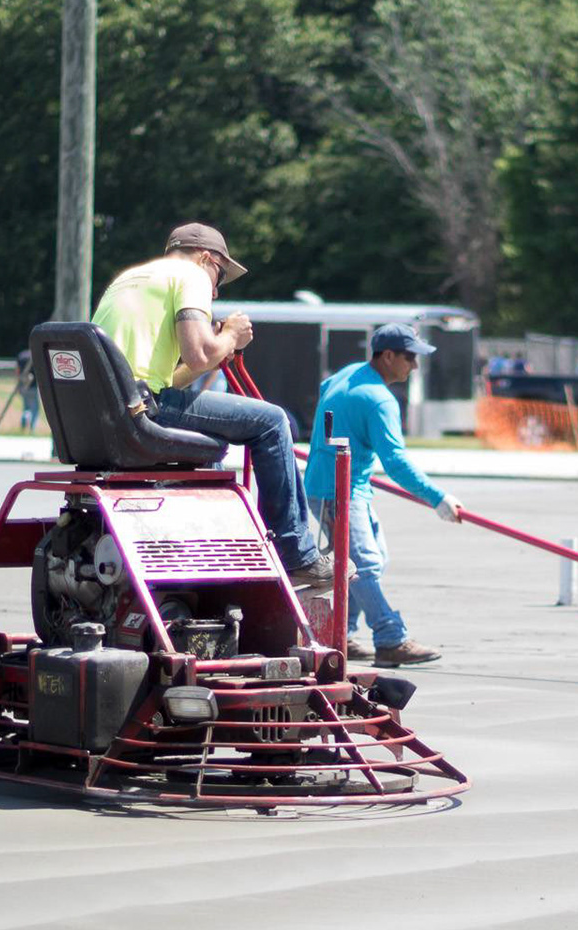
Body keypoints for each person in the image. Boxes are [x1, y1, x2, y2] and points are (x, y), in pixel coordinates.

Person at [91, 221, 332, 590]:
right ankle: (295, 553)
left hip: (111, 410)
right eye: (218, 274)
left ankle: (206, 547)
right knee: (271, 421)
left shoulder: (130, 279)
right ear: (205, 258)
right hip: (143, 407)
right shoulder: (191, 275)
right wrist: (231, 336)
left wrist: (222, 346)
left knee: (212, 441)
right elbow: (201, 352)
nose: (216, 289)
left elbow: (172, 378)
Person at [304, 323, 461, 665]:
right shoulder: (378, 400)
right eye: (410, 358)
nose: (415, 366)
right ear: (388, 356)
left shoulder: (346, 375)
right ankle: (390, 638)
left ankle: (340, 633)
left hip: (338, 485)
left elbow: (327, 399)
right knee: (365, 566)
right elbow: (395, 462)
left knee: (374, 560)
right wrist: (438, 498)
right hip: (339, 491)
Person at [15, 347, 40, 430]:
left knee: (26, 407)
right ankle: (32, 428)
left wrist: (18, 385)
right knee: (35, 409)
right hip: (33, 386)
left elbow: (18, 371)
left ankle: (24, 422)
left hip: (23, 385)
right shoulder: (36, 355)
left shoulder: (22, 355)